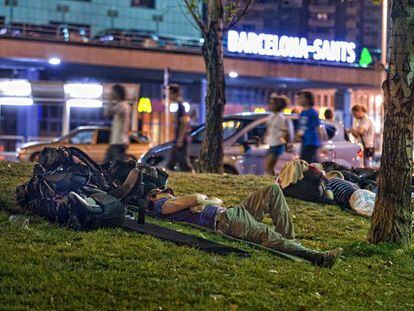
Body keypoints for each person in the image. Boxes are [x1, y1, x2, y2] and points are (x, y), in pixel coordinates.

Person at [147, 184, 343, 267]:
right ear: (153, 196)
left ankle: (289, 240)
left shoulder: (173, 201)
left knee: (273, 190)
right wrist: (201, 200)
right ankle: (317, 257)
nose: (170, 192)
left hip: (232, 212)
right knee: (267, 234)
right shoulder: (161, 205)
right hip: (227, 222)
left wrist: (203, 202)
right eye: (164, 191)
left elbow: (217, 200)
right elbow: (201, 197)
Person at [166, 84, 194, 172]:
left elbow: (184, 122)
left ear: (175, 94)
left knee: (183, 163)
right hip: (179, 139)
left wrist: (180, 139)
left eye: (170, 94)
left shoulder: (180, 106)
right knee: (172, 163)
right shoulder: (179, 105)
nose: (169, 96)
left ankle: (192, 175)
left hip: (181, 139)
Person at [264, 94, 289, 176]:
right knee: (268, 167)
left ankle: (273, 183)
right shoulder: (271, 116)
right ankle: (273, 182)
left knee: (269, 166)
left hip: (277, 144)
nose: (269, 105)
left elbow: (284, 130)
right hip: (271, 143)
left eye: (271, 103)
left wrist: (280, 138)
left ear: (277, 105)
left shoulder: (280, 117)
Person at [105, 84, 131, 162]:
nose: (111, 94)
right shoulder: (123, 105)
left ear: (117, 93)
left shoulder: (122, 105)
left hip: (118, 142)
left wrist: (109, 99)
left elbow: (107, 113)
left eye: (113, 92)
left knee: (116, 167)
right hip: (117, 142)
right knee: (109, 166)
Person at [296, 91, 321, 163]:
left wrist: (320, 142)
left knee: (305, 165)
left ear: (308, 100)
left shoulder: (313, 112)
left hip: (311, 143)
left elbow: (317, 127)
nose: (299, 99)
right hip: (305, 142)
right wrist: (298, 135)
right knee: (310, 165)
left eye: (301, 97)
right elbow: (302, 127)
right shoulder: (303, 112)